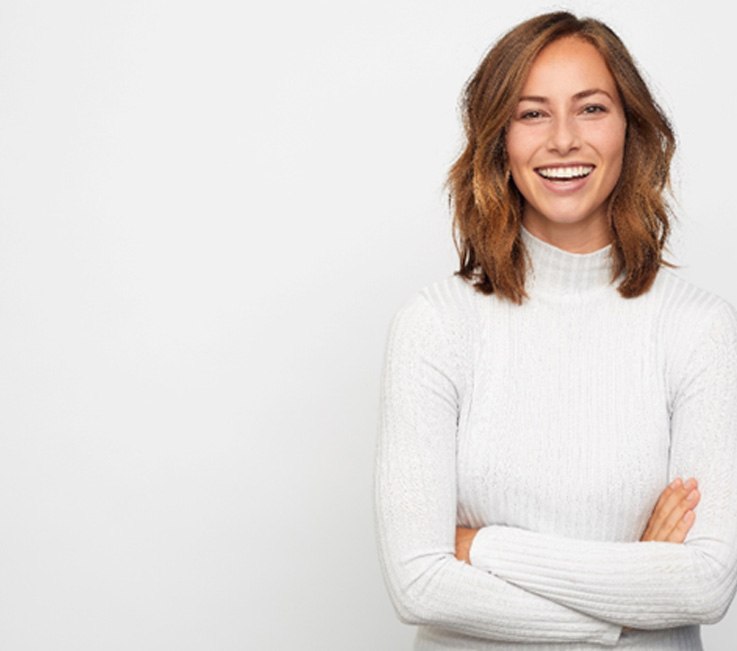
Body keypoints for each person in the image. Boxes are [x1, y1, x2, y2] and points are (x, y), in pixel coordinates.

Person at [373, 11, 737, 651]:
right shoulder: (436, 326)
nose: (563, 139)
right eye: (532, 113)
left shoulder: (700, 330)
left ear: (630, 127)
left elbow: (704, 585)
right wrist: (628, 608)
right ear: (498, 139)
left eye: (591, 108)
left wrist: (481, 547)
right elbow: (419, 584)